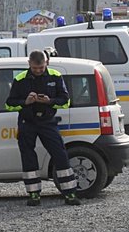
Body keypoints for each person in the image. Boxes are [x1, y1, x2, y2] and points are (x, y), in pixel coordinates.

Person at [6, 48, 82, 207]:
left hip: (48, 121)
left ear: (47, 63)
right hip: (27, 122)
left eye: (41, 68)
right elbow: (9, 104)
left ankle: (70, 193)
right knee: (28, 156)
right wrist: (24, 102)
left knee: (60, 154)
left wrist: (49, 101)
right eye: (35, 68)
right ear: (29, 64)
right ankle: (34, 194)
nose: (39, 71)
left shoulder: (55, 76)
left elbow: (66, 101)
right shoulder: (20, 79)